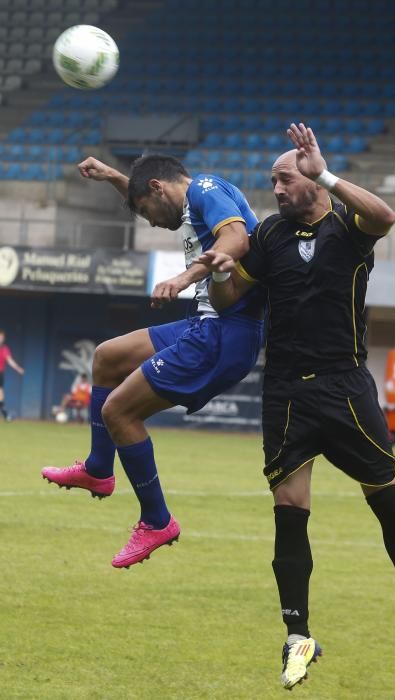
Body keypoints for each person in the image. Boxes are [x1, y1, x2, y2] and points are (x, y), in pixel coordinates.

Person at [196, 122, 395, 689]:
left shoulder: (347, 227)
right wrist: (218, 274)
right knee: (289, 507)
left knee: (385, 497)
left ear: (308, 179)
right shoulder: (269, 237)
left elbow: (386, 218)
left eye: (283, 180)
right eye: (273, 182)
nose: (277, 190)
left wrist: (326, 174)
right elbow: (231, 294)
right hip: (285, 389)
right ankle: (298, 636)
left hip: (345, 386)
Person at [42, 154, 264, 570]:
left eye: (144, 210)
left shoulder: (205, 190)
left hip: (223, 332)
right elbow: (150, 191)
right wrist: (113, 176)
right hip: (203, 323)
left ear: (160, 188)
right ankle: (98, 469)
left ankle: (157, 520)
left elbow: (237, 241)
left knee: (118, 411)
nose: (148, 222)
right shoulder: (191, 201)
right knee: (107, 357)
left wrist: (182, 279)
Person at [0, 329, 25, 420]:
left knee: (1, 392)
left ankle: (4, 413)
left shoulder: (5, 349)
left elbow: (9, 360)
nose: (0, 339)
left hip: (0, 373)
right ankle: (5, 414)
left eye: (2, 337)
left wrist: (18, 369)